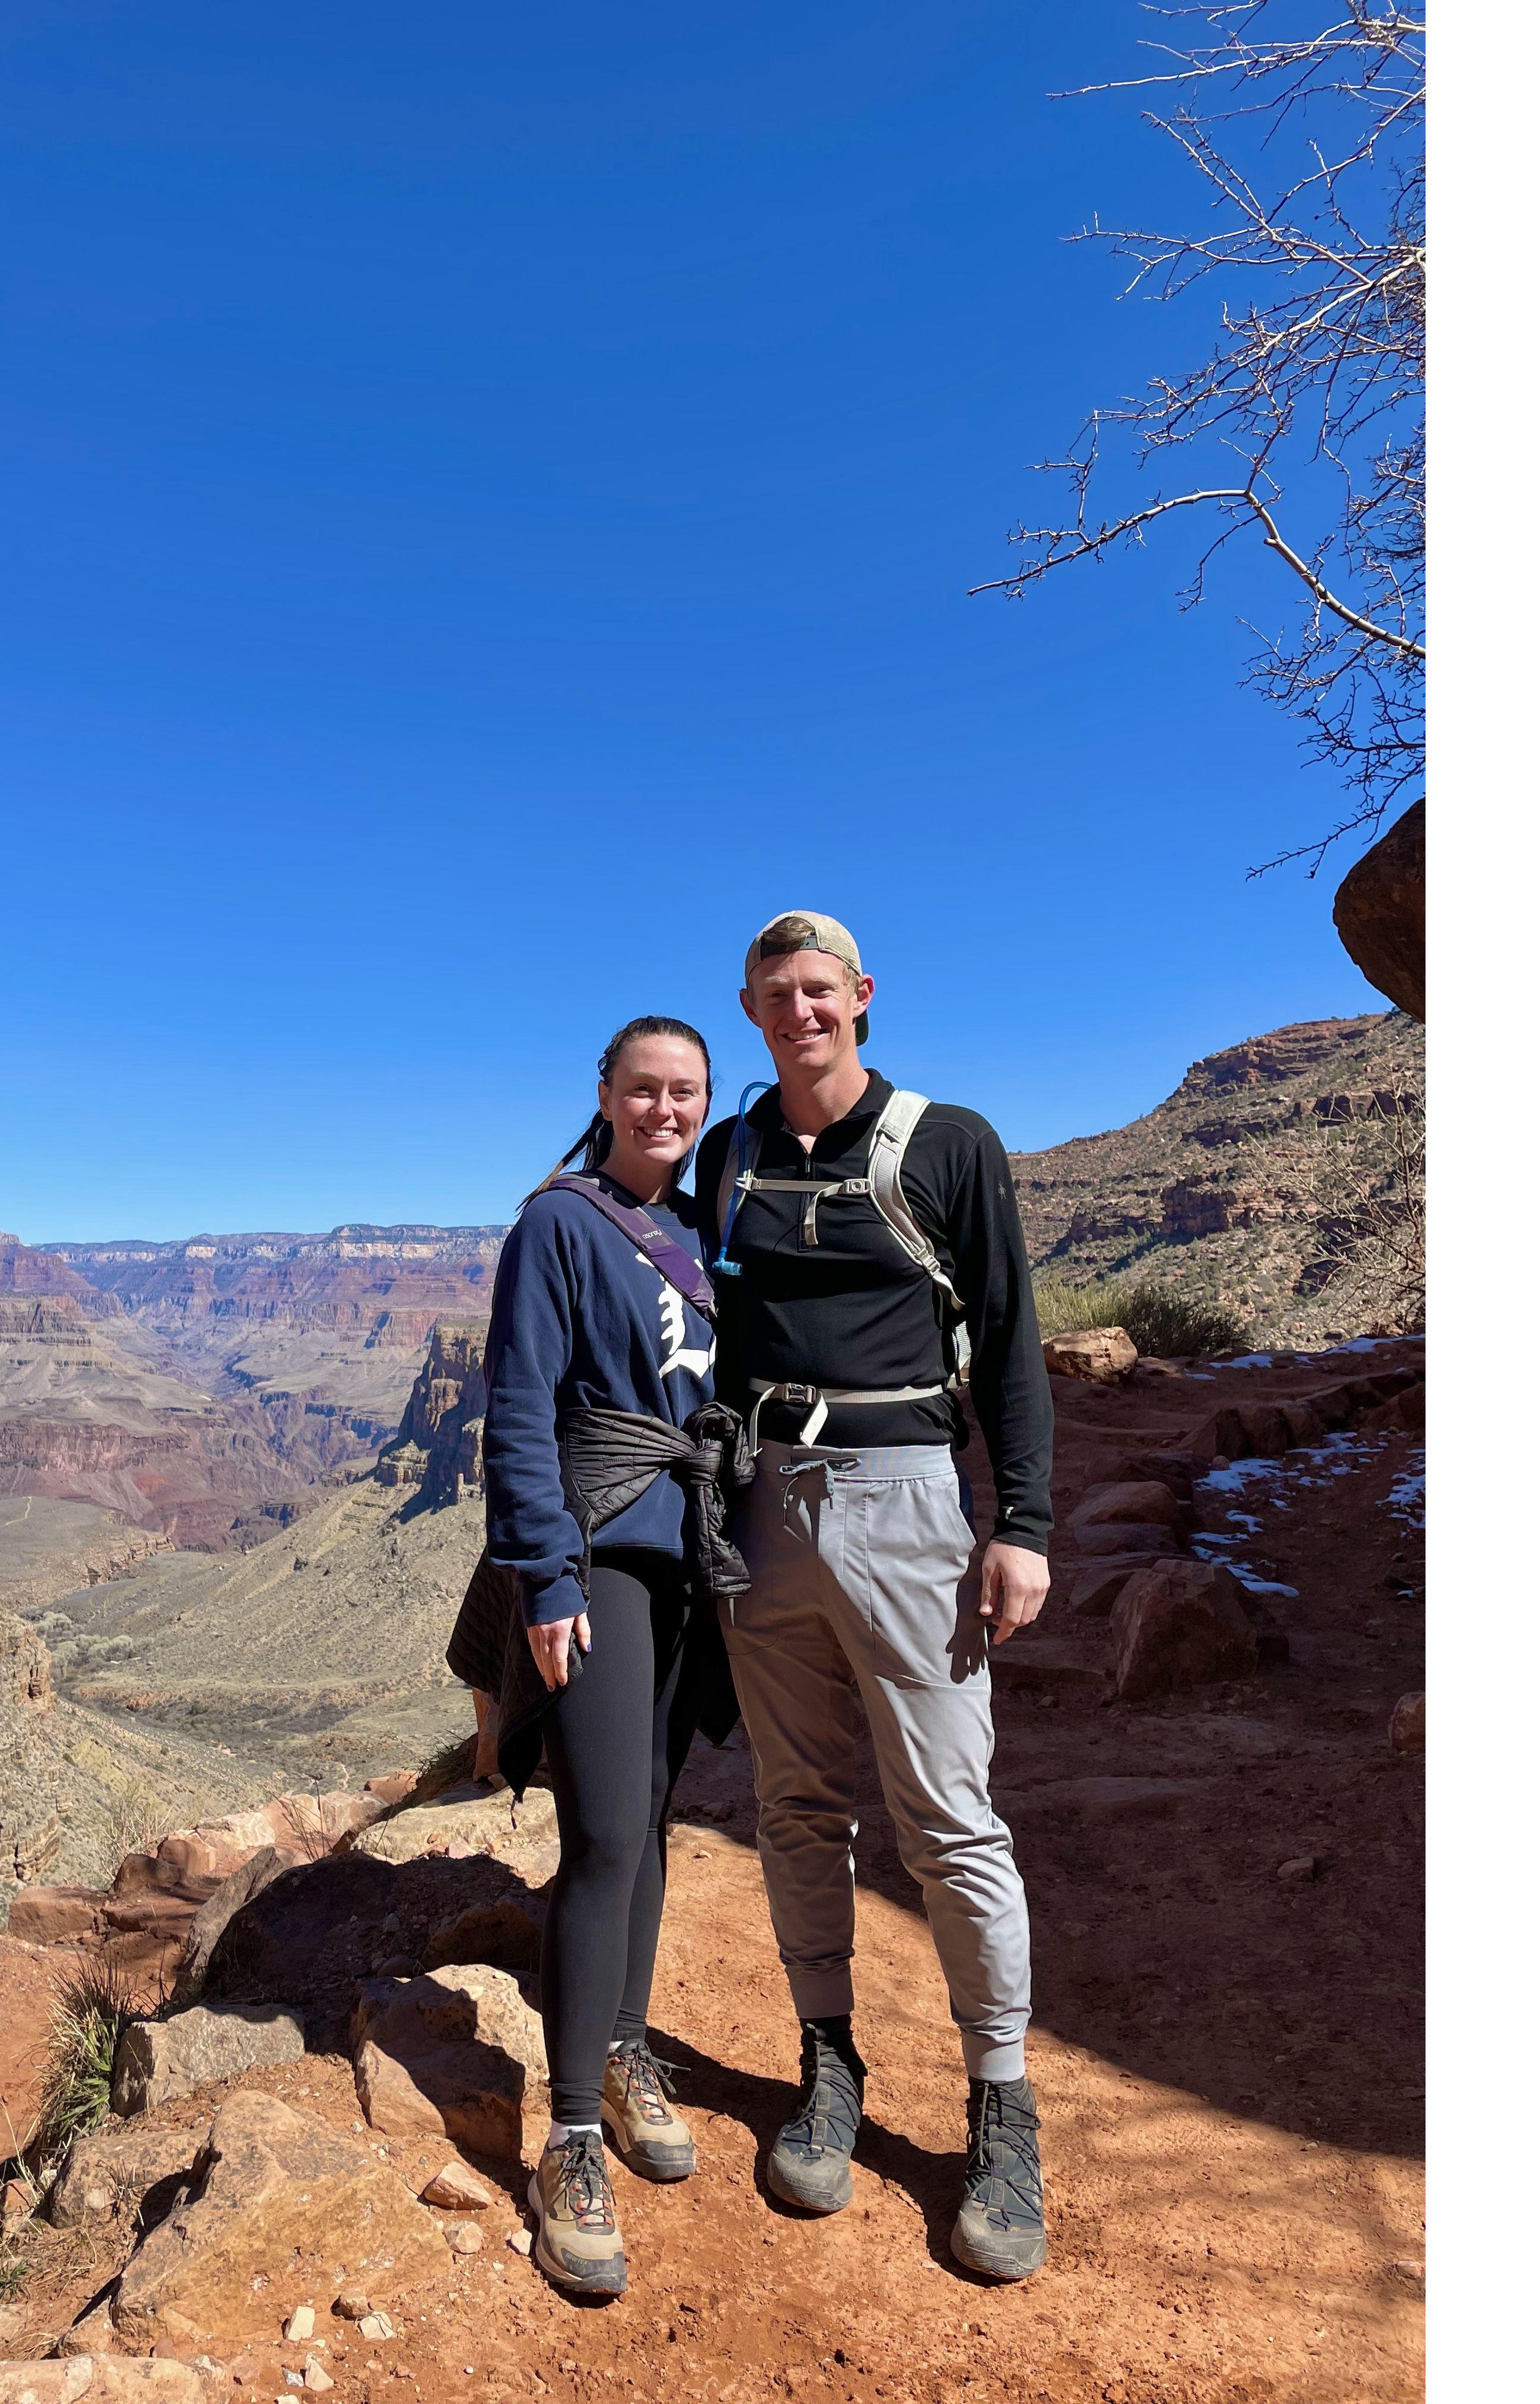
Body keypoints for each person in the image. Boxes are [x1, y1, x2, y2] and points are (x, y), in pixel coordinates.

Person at [692, 911, 1056, 2282]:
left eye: (821, 991)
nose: (801, 1012)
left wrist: (1021, 1524)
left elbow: (1013, 1333)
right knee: (796, 1804)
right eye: (777, 995)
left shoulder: (945, 1142)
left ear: (862, 998)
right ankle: (827, 2064)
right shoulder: (728, 1156)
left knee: (948, 1815)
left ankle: (1001, 2109)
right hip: (760, 1504)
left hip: (905, 1502)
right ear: (751, 1007)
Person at [470, 1015, 745, 2301]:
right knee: (602, 1839)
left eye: (684, 1092)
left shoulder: (701, 1234)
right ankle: (570, 2133)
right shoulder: (560, 1226)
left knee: (652, 1818)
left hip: (689, 1553)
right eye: (644, 1089)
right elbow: (520, 1403)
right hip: (597, 1547)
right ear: (605, 1095)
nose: (665, 1109)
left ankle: (628, 2052)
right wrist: (545, 1570)